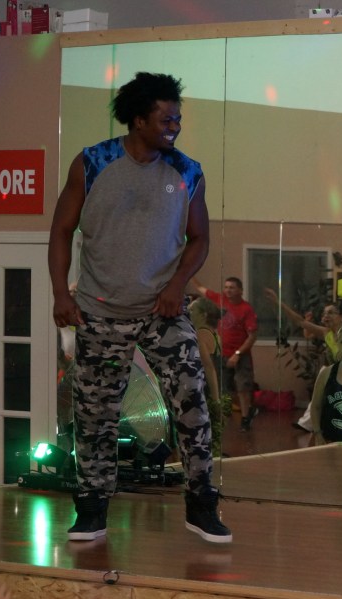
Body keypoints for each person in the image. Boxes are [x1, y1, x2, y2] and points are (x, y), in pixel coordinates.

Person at [48, 72, 231, 543]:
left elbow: (200, 238)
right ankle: (92, 508)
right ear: (138, 119)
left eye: (178, 119)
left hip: (162, 312)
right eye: (165, 119)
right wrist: (61, 294)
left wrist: (177, 285)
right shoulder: (93, 162)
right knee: (95, 414)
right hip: (100, 311)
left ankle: (201, 503)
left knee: (192, 399)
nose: (175, 127)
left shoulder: (187, 171)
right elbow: (61, 230)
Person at [264, 288, 342, 431]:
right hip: (333, 370)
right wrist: (278, 303)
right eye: (324, 313)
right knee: (319, 394)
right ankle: (307, 424)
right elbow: (300, 321)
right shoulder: (326, 332)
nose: (326, 316)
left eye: (331, 313)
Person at [191, 276, 258, 431]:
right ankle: (224, 417)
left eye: (232, 288)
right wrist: (188, 272)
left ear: (240, 290)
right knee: (224, 388)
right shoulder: (219, 300)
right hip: (222, 353)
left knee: (242, 387)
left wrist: (238, 354)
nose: (228, 290)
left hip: (241, 355)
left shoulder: (246, 309)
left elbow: (252, 336)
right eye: (226, 287)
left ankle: (245, 418)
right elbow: (200, 288)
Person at [188, 297, 229, 457]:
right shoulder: (215, 334)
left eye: (192, 310)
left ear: (203, 314)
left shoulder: (201, 334)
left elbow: (208, 367)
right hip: (217, 386)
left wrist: (215, 399)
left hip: (207, 389)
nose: (188, 312)